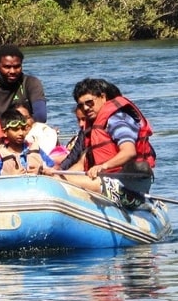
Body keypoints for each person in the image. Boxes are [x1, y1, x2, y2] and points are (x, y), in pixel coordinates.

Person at [45, 78, 155, 208]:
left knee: (57, 181)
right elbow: (82, 163)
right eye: (81, 105)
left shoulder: (117, 119)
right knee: (55, 179)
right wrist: (58, 173)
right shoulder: (93, 125)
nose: (85, 108)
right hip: (107, 179)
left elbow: (129, 152)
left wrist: (103, 166)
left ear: (102, 97)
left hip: (129, 182)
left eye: (89, 102)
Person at [0, 45, 47, 140]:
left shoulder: (31, 83)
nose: (12, 71)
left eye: (17, 66)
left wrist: (20, 129)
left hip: (27, 135)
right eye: (7, 67)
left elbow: (41, 116)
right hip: (1, 136)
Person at [0, 107, 52, 175]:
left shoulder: (34, 148)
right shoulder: (0, 157)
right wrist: (11, 178)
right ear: (4, 133)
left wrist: (42, 171)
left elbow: (52, 167)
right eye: (15, 129)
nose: (21, 133)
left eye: (23, 128)